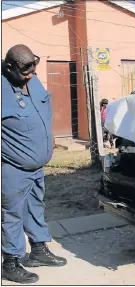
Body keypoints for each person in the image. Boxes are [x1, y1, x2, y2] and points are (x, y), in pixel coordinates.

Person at [1, 44, 67, 284]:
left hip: (36, 167)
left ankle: (38, 251)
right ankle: (10, 263)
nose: (31, 76)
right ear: (9, 67)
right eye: (25, 72)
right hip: (12, 169)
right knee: (11, 216)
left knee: (35, 208)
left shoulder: (30, 77)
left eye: (33, 70)